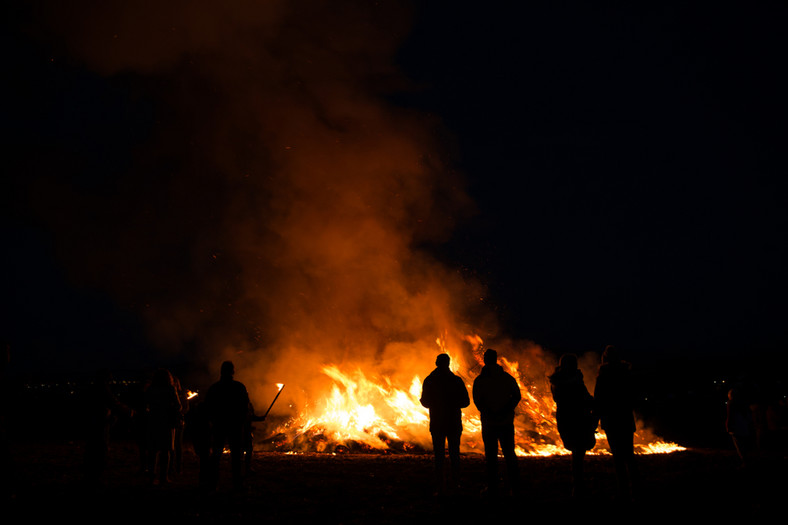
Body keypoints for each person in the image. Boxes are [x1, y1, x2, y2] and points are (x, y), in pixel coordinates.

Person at [472, 349, 522, 495]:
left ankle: (494, 488)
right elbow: (516, 396)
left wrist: (488, 411)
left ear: (486, 360)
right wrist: (507, 409)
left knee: (491, 456)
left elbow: (477, 401)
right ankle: (514, 487)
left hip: (490, 423)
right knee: (508, 454)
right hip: (504, 422)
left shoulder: (480, 380)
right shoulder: (507, 378)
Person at [420, 353, 470, 495]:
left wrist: (434, 403)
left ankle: (440, 486)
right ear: (448, 363)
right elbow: (466, 402)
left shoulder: (429, 380)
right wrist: (453, 403)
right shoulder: (456, 381)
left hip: (437, 423)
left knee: (439, 456)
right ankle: (456, 484)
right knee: (455, 454)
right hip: (453, 422)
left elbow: (425, 402)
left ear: (437, 363)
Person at [594, 345, 639, 501]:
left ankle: (624, 491)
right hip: (625, 418)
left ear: (606, 358)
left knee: (618, 457)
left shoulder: (603, 376)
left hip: (611, 420)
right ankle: (635, 489)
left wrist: (595, 421)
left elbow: (598, 400)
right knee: (629, 455)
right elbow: (633, 396)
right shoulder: (627, 373)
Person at [549, 353, 597, 498]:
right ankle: (578, 487)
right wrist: (595, 405)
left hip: (565, 420)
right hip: (577, 419)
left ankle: (577, 485)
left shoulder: (557, 381)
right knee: (578, 452)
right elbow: (584, 398)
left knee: (577, 453)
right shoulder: (573, 382)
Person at [203, 360, 252, 491]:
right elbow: (245, 406)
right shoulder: (239, 387)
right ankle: (237, 483)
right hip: (234, 425)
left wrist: (212, 420)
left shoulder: (214, 388)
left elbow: (208, 407)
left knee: (216, 455)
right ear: (233, 371)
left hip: (219, 424)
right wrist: (242, 419)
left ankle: (213, 483)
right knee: (236, 455)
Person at [144, 368, 182, 485]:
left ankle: (151, 476)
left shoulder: (150, 389)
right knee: (166, 451)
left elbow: (145, 404)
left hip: (153, 421)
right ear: (168, 378)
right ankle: (163, 477)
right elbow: (178, 406)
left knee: (153, 450)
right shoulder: (170, 389)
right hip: (167, 422)